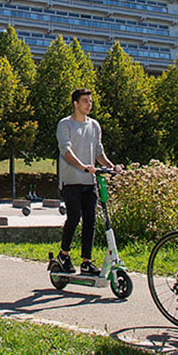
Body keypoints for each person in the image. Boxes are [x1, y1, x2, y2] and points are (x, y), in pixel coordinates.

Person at [55, 88, 119, 277]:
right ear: (75, 103)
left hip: (89, 181)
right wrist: (83, 165)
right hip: (71, 181)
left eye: (90, 101)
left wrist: (111, 166)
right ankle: (64, 254)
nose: (89, 104)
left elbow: (98, 152)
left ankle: (86, 262)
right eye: (85, 101)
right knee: (74, 217)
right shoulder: (65, 124)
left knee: (90, 220)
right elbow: (65, 150)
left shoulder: (94, 126)